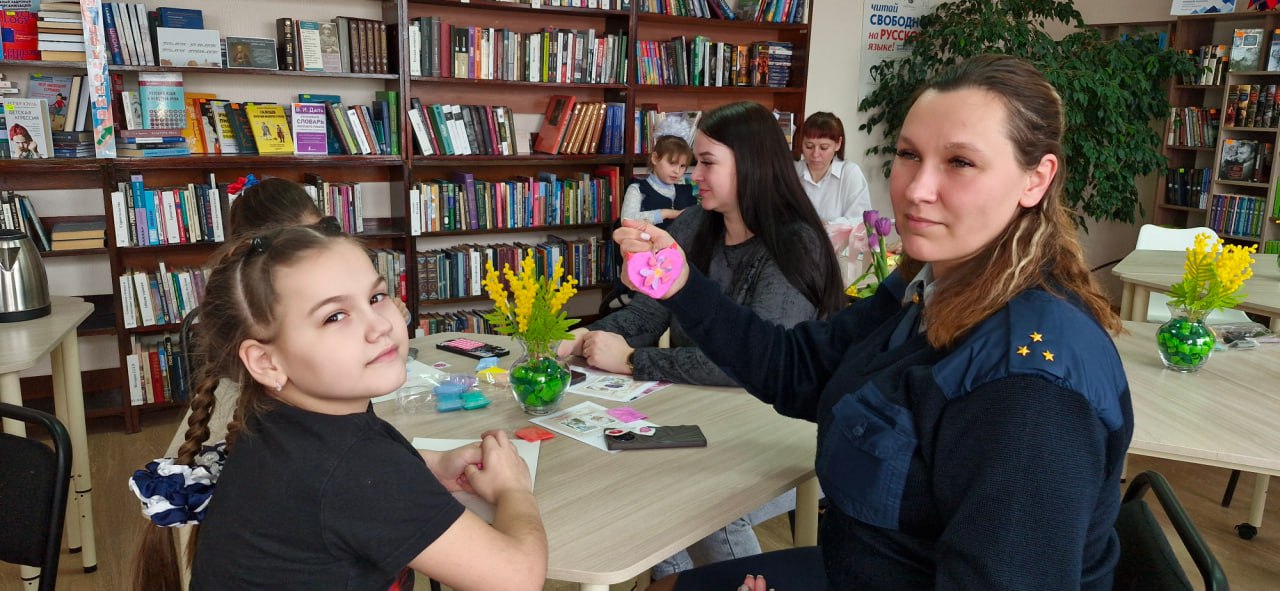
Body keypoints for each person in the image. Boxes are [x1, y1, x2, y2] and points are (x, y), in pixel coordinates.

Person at [618, 55, 1131, 590]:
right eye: (909, 155)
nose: (916, 189)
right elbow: (799, 368)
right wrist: (681, 284)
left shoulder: (1029, 385)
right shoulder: (924, 287)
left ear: (1036, 179)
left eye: (960, 162)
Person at [132, 224, 547, 590]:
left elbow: (332, 487)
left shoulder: (277, 420)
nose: (380, 325)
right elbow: (517, 579)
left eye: (377, 296)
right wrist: (513, 489)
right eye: (335, 316)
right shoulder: (354, 466)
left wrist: (431, 466)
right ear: (266, 362)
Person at [561, 101, 845, 579]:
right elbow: (650, 312)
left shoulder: (795, 245)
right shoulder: (693, 225)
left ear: (751, 164)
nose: (694, 174)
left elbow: (753, 364)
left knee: (704, 507)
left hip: (780, 431)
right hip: (702, 415)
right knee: (643, 483)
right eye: (696, 161)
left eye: (708, 162)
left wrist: (633, 361)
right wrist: (587, 336)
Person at [794, 112, 871, 225]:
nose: (815, 154)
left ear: (838, 144)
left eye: (824, 147)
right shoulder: (792, 171)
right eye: (809, 146)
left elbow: (860, 221)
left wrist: (828, 225)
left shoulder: (850, 173)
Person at [621, 134, 697, 230]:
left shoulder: (686, 192)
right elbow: (627, 220)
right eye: (672, 163)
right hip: (649, 239)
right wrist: (666, 213)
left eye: (682, 166)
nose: (677, 171)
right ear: (655, 158)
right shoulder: (638, 189)